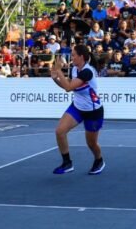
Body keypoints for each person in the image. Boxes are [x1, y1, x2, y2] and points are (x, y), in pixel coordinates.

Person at [49, 45, 105, 175]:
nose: (71, 57)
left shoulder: (88, 71)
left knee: (91, 143)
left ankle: (99, 160)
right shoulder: (74, 69)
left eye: (73, 55)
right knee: (60, 131)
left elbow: (69, 87)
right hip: (77, 107)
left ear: (81, 57)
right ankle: (67, 163)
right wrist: (55, 78)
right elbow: (66, 86)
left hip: (93, 111)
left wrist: (59, 71)